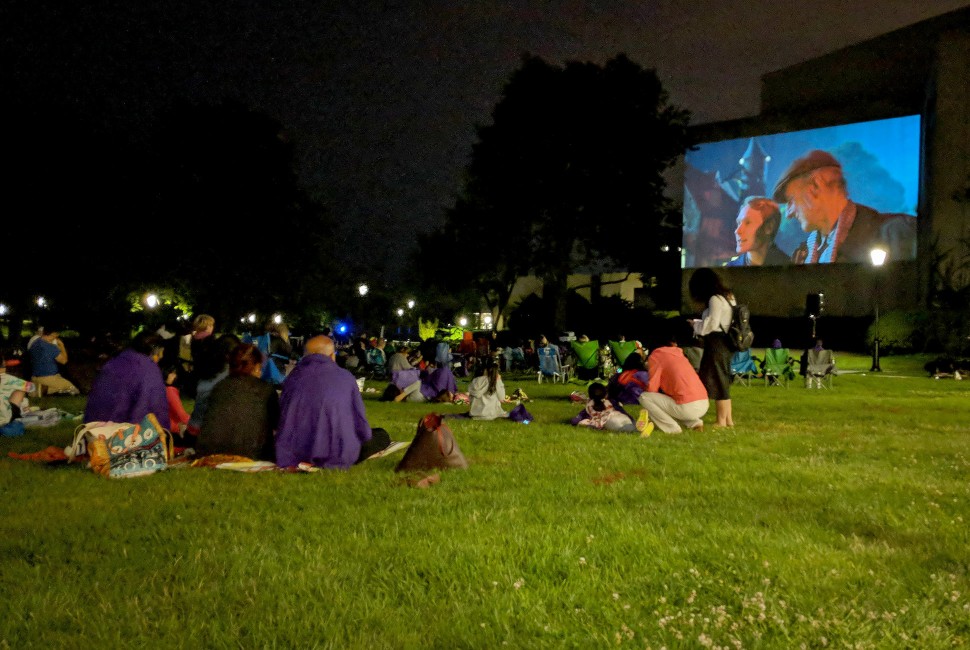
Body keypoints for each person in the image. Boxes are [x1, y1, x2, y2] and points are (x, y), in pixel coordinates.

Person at [772, 149, 917, 264]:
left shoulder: (896, 233)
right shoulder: (801, 255)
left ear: (816, 185)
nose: (788, 214)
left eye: (791, 200)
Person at [275, 335, 389, 469]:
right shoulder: (345, 377)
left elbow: (280, 417)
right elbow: (361, 425)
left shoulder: (292, 378)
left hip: (294, 452)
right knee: (381, 435)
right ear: (331, 356)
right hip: (336, 453)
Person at [196, 343, 279, 461]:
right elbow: (276, 423)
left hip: (210, 451)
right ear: (256, 367)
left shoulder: (220, 387)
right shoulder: (266, 390)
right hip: (252, 453)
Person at [83, 331, 169, 425]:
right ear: (153, 351)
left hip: (92, 429)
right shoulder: (149, 369)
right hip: (122, 434)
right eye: (159, 354)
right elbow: (155, 409)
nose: (161, 357)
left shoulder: (113, 362)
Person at [638, 322, 710, 434]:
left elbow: (653, 387)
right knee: (675, 399)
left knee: (645, 397)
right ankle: (694, 423)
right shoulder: (679, 354)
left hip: (688, 407)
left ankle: (672, 429)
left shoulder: (657, 355)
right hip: (704, 402)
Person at [688, 268, 735, 427]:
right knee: (723, 379)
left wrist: (696, 325)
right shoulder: (728, 297)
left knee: (718, 379)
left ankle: (721, 420)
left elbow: (712, 324)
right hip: (726, 342)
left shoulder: (715, 299)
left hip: (716, 342)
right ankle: (728, 419)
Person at [186, 333, 241, 439]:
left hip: (194, 426)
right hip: (206, 433)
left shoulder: (208, 366)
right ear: (228, 355)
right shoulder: (227, 374)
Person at [724, 196, 789, 266]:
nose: (737, 231)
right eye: (739, 223)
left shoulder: (789, 268)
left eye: (748, 223)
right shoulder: (730, 269)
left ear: (769, 227)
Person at [570, 381, 650, 434]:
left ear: (590, 396)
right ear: (605, 394)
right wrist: (632, 419)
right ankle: (640, 426)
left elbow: (576, 419)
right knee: (629, 425)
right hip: (620, 416)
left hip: (610, 421)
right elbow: (622, 411)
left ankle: (639, 430)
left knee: (624, 429)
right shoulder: (611, 402)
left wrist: (575, 421)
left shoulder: (589, 406)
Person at [28, 326, 80, 396]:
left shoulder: (35, 343)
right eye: (55, 336)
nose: (55, 339)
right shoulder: (51, 347)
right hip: (49, 378)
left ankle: (37, 388)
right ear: (52, 334)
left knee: (62, 384)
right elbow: (64, 361)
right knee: (73, 389)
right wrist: (62, 346)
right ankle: (38, 390)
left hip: (35, 377)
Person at [1, 354, 32, 436]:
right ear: (4, 363)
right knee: (20, 391)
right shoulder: (10, 379)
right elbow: (31, 387)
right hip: (6, 420)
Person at [162, 362, 191, 435]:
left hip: (165, 428)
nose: (174, 376)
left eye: (175, 374)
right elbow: (183, 416)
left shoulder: (162, 389)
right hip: (172, 430)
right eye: (171, 373)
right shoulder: (170, 391)